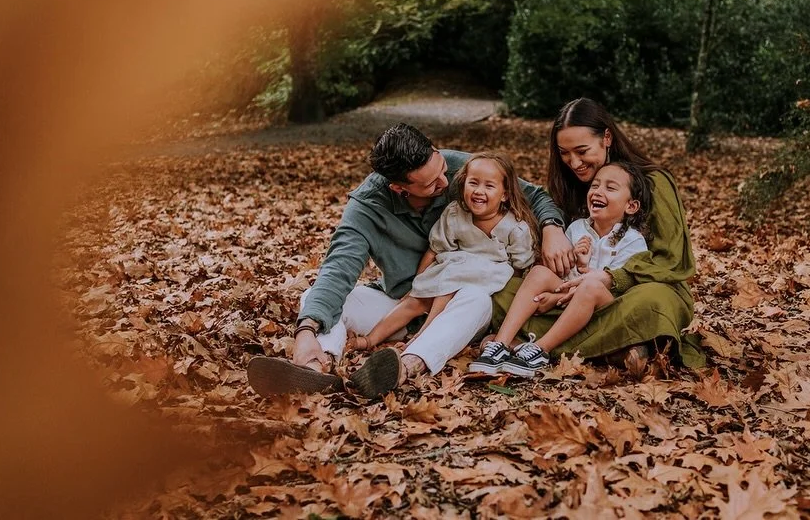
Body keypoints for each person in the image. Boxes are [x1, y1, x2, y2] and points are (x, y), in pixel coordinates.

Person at [246, 124, 568, 399]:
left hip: (455, 309)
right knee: (314, 298)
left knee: (477, 299)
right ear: (398, 187)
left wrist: (553, 229)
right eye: (431, 184)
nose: (445, 182)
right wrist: (305, 330)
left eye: (442, 168)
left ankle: (406, 366)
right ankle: (315, 367)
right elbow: (338, 268)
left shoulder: (461, 169)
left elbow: (533, 195)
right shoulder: (367, 207)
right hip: (401, 302)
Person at [482, 98, 706, 373]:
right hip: (572, 289)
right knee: (504, 291)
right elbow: (549, 239)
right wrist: (551, 228)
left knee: (654, 304)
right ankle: (612, 348)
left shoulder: (654, 182)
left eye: (582, 150)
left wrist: (611, 277)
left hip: (636, 289)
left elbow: (671, 260)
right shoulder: (573, 185)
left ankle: (537, 346)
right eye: (564, 153)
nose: (574, 162)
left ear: (607, 137)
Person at [470, 161, 651, 376]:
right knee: (539, 273)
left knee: (591, 286)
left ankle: (540, 350)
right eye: (595, 186)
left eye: (610, 188)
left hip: (606, 306)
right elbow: (560, 273)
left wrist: (557, 297)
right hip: (569, 295)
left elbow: (619, 286)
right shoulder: (577, 228)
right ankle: (500, 343)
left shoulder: (632, 240)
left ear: (631, 206)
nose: (598, 192)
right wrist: (578, 263)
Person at [348, 152, 536, 353]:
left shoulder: (515, 227)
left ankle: (421, 336)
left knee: (446, 292)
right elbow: (434, 249)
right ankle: (370, 340)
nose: (479, 191)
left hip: (486, 279)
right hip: (452, 268)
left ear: (505, 194)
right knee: (414, 301)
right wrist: (418, 283)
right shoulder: (456, 213)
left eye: (489, 186)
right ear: (463, 185)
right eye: (473, 183)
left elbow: (520, 267)